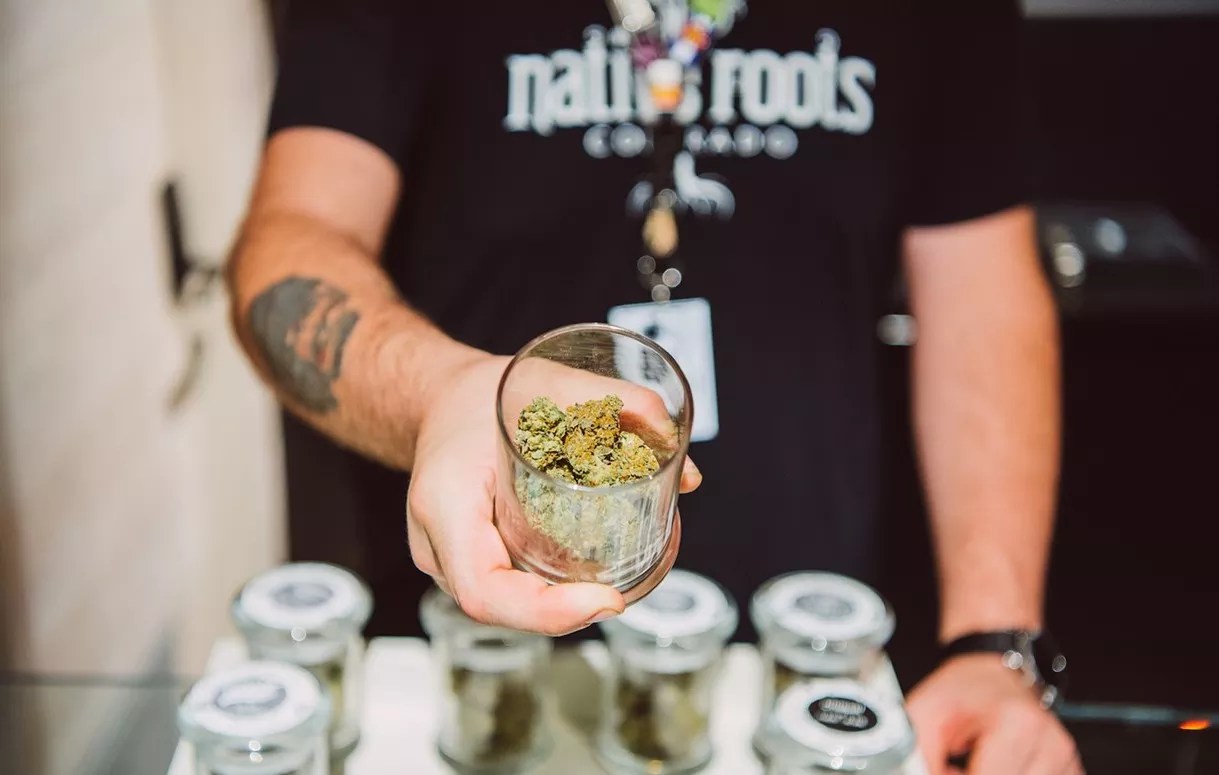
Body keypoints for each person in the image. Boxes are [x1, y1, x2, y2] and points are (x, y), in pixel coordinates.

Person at [227, 1, 1082, 772]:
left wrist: (993, 642)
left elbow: (980, 288)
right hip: (474, 648)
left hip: (798, 661)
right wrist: (441, 390)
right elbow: (290, 245)